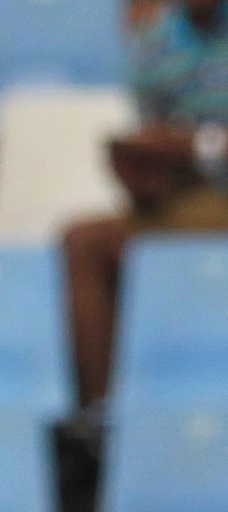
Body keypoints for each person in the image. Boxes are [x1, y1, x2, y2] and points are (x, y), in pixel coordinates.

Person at [64, 0, 228, 407]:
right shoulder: (154, 46)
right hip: (184, 205)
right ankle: (101, 424)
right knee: (83, 243)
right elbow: (157, 142)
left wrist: (192, 147)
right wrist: (138, 172)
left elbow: (183, 147)